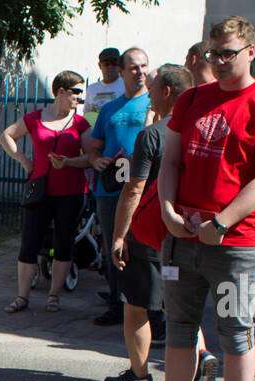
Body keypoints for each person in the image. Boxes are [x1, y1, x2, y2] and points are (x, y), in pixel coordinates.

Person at [129, 16, 255, 381]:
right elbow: (171, 163)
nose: (219, 62)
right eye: (212, 54)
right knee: (180, 328)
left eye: (228, 54)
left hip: (237, 243)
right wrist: (167, 210)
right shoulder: (192, 99)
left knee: (235, 332)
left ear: (251, 53)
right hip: (182, 237)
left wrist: (220, 223)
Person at [105, 64, 219, 381]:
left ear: (167, 92)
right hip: (186, 233)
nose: (148, 94)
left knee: (136, 305)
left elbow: (134, 188)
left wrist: (119, 235)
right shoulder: (201, 130)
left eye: (153, 88)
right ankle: (202, 353)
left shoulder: (153, 135)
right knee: (178, 306)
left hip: (149, 234)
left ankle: (139, 374)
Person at [0, 70, 90, 314]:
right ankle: (22, 296)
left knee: (63, 243)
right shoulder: (36, 118)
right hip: (40, 190)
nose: (80, 98)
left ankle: (53, 296)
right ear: (61, 91)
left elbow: (92, 157)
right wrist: (25, 161)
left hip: (71, 192)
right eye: (76, 92)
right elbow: (6, 136)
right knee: (29, 243)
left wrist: (69, 162)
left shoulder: (80, 123)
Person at [83, 47, 150, 326]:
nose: (140, 72)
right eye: (133, 67)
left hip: (144, 189)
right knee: (113, 246)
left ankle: (148, 307)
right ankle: (116, 303)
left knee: (144, 248)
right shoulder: (109, 108)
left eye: (144, 66)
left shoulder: (154, 103)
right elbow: (93, 145)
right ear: (122, 72)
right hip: (110, 189)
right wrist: (95, 160)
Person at [84, 47, 124, 121]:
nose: (110, 67)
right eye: (106, 64)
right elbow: (87, 113)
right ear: (100, 66)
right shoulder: (92, 89)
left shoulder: (126, 85)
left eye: (114, 63)